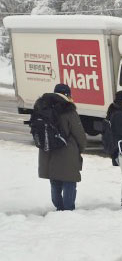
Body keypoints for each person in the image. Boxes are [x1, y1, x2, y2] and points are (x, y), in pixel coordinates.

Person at [36, 83, 86, 211]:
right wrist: (81, 147)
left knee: (55, 179)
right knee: (69, 181)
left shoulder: (42, 107)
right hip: (67, 152)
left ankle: (58, 207)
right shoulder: (68, 110)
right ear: (67, 95)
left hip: (47, 150)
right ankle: (68, 210)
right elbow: (79, 133)